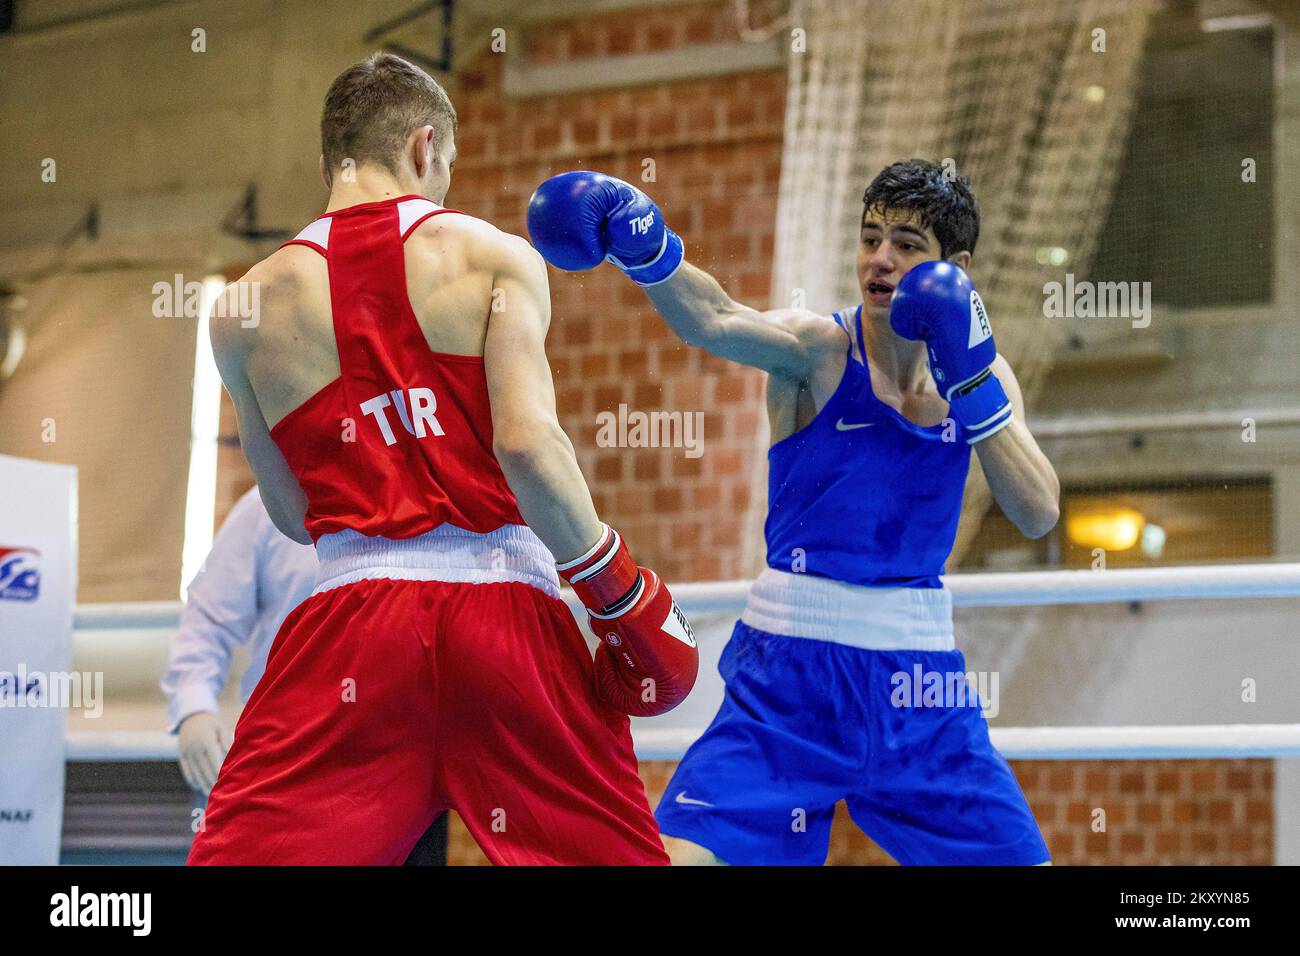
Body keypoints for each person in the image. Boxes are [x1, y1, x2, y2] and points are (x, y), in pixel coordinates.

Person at [187, 53, 697, 866]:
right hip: (507, 626)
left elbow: (292, 514)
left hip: (351, 629)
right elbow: (529, 448)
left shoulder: (240, 311)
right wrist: (616, 588)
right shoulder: (494, 258)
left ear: (331, 162)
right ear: (426, 147)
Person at [527, 160, 1059, 865]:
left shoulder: (983, 376)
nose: (880, 259)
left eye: (906, 244)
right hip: (791, 679)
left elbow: (1038, 512)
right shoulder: (819, 350)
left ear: (957, 268)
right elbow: (715, 320)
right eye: (871, 238)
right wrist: (645, 244)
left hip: (922, 687)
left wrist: (973, 386)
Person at [163, 485, 447, 864]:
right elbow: (208, 619)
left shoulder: (432, 498)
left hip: (404, 758)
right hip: (286, 754)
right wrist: (193, 707)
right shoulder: (264, 507)